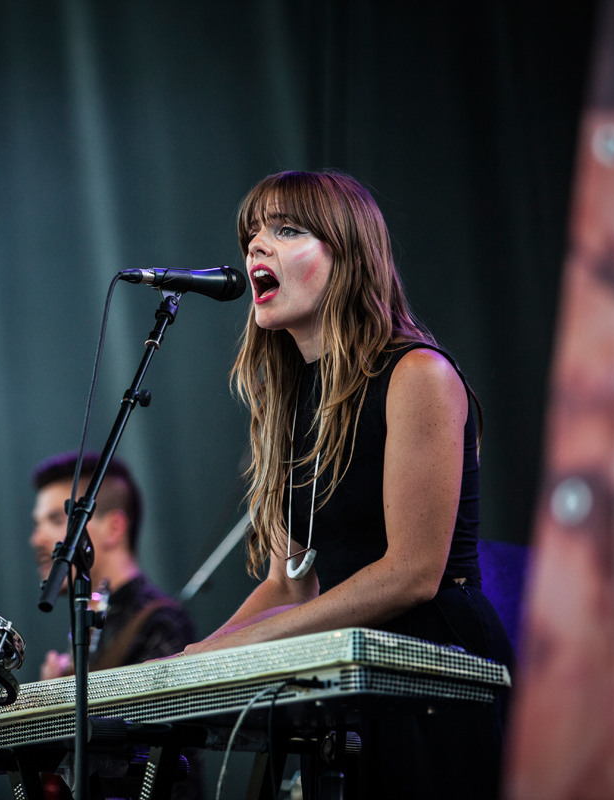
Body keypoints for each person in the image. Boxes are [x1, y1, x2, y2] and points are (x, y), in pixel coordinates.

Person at [183, 170, 514, 798]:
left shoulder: (417, 374)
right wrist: (190, 661)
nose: (256, 247)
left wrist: (235, 652)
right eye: (251, 234)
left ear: (350, 256)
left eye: (286, 230)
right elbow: (289, 583)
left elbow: (412, 572)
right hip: (354, 674)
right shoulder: (286, 404)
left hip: (438, 671)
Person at [30, 452, 195, 680]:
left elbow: (157, 715)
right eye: (38, 523)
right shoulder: (94, 620)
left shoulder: (161, 624)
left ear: (114, 528)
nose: (37, 539)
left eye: (57, 520)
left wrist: (59, 702)